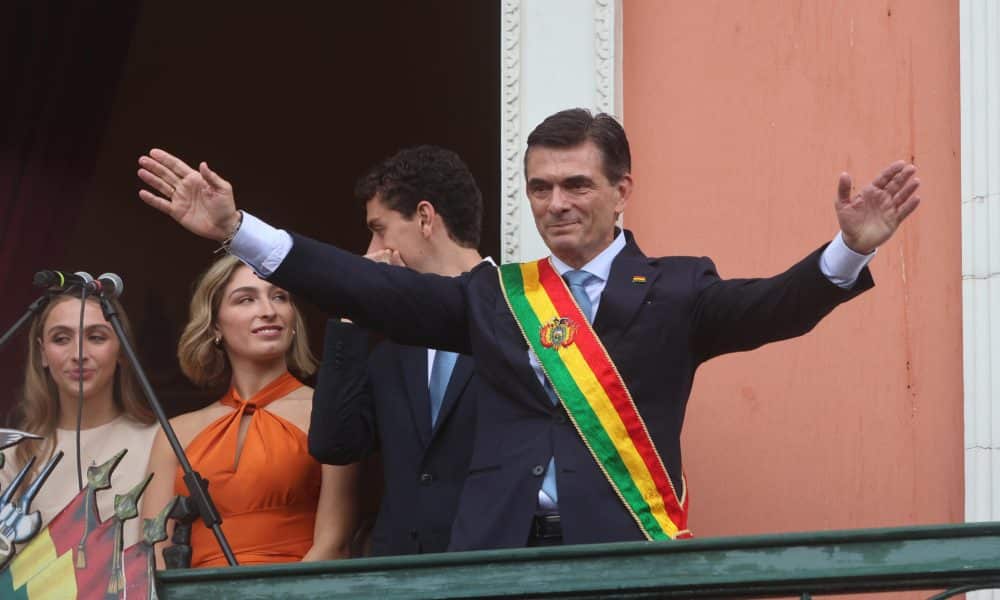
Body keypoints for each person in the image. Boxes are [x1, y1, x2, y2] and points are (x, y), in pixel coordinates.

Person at [136, 108, 921, 550]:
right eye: (540, 188)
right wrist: (239, 229)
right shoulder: (496, 296)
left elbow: (776, 305)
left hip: (618, 544)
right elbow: (367, 288)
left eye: (577, 184)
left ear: (622, 190)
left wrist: (848, 249)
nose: (557, 203)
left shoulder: (679, 288)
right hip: (493, 551)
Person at [309, 145, 485, 555]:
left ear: (424, 218)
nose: (371, 249)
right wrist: (354, 308)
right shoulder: (390, 344)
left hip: (494, 566)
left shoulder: (524, 314)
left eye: (379, 228)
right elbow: (335, 444)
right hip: (401, 573)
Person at [141, 255, 358, 567]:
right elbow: (152, 553)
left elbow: (334, 546)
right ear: (215, 326)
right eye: (246, 300)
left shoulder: (330, 411)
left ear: (293, 319)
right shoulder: (175, 432)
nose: (268, 311)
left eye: (279, 297)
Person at [1, 289, 156, 547]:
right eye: (61, 339)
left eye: (96, 338)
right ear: (42, 354)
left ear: (122, 350)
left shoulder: (159, 441)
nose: (78, 354)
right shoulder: (13, 454)